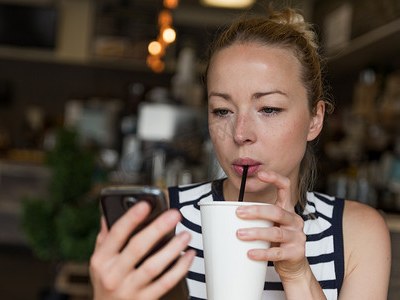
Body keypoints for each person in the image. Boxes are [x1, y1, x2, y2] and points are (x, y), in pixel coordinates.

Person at [89, 7, 391, 300]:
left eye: (269, 109)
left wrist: (298, 275)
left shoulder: (356, 233)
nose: (240, 133)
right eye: (222, 111)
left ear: (315, 119)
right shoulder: (162, 223)